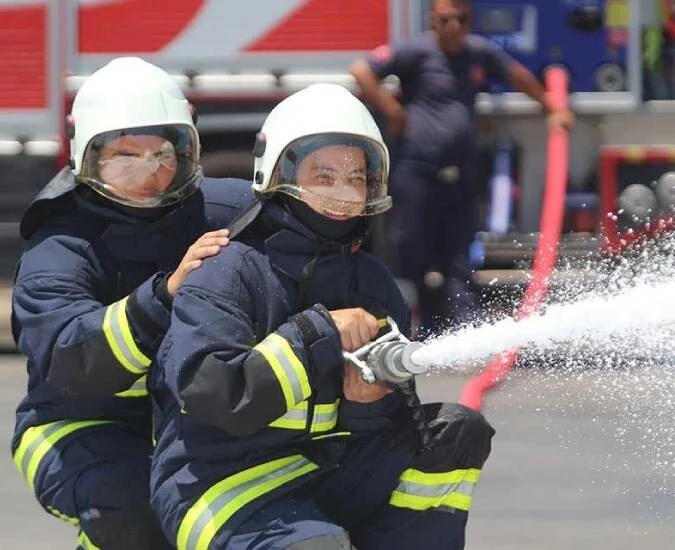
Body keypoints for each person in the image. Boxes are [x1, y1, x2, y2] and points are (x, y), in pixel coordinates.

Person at [149, 83, 495, 550]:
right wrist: (316, 331)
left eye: (355, 177)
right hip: (222, 484)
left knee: (456, 430)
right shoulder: (227, 270)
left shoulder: (372, 283)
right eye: (323, 174)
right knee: (319, 545)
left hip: (321, 470)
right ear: (278, 173)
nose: (342, 190)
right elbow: (214, 395)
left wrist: (367, 404)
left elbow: (393, 421)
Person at [10, 57, 254, 549]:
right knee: (128, 512)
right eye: (124, 157)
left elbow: (305, 239)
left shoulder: (231, 211)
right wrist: (161, 298)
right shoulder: (58, 248)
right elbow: (68, 358)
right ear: (88, 158)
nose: (148, 173)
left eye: (161, 154)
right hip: (78, 422)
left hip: (192, 416)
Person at [350, 0, 573, 336]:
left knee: (460, 251)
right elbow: (362, 71)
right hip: (417, 170)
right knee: (413, 246)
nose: (453, 26)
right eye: (445, 20)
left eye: (461, 19)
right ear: (433, 20)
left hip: (460, 170)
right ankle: (418, 320)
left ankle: (463, 328)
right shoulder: (415, 52)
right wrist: (391, 111)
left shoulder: (478, 52)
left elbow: (518, 75)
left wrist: (551, 107)